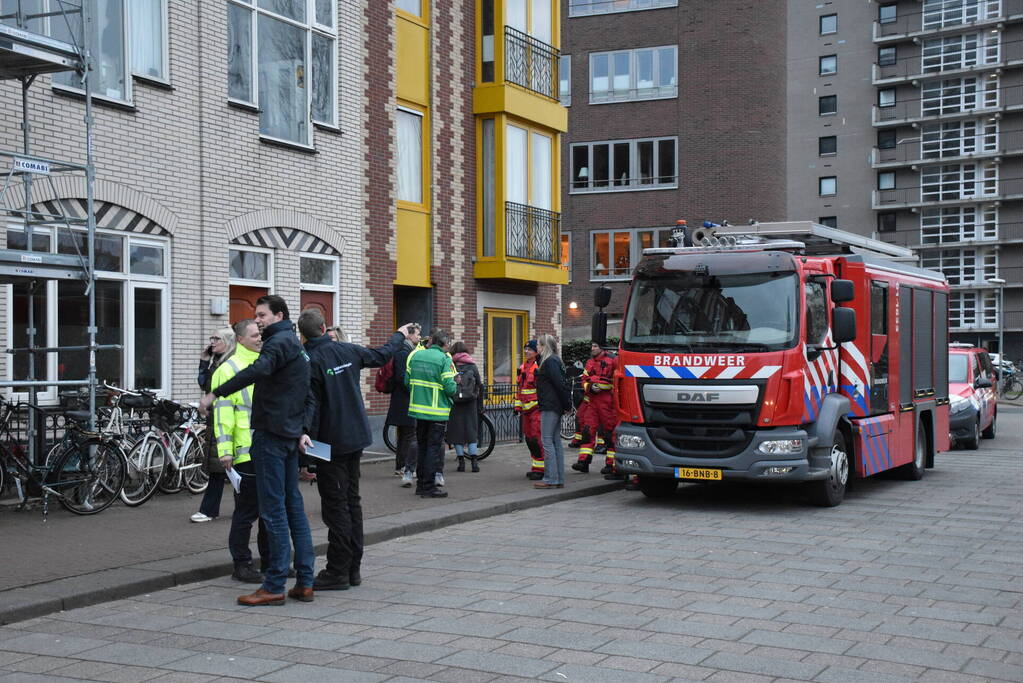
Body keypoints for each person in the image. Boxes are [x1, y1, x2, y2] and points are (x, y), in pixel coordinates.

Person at [199, 294, 315, 606]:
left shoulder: (277, 345)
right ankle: (305, 581)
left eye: (262, 315)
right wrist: (302, 429)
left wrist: (215, 393)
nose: (258, 321)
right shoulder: (297, 347)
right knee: (294, 509)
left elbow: (259, 371)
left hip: (270, 437)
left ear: (278, 315)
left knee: (273, 511)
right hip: (289, 436)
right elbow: (308, 393)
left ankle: (274, 584)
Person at [298, 309, 412, 591]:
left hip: (330, 442)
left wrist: (305, 445)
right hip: (355, 437)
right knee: (351, 502)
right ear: (325, 328)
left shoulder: (309, 360)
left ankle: (338, 571)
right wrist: (400, 334)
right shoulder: (347, 350)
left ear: (302, 334)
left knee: (336, 507)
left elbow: (310, 406)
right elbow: (382, 354)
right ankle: (353, 569)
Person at [211, 319, 269, 583]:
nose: (260, 338)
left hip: (267, 449)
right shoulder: (228, 369)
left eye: (260, 334)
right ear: (241, 339)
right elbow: (223, 415)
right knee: (246, 513)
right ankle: (242, 564)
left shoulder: (264, 362)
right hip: (244, 453)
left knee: (270, 510)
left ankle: (270, 561)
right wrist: (225, 451)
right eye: (255, 335)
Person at [406, 329, 457, 498]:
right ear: (444, 343)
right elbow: (450, 388)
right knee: (433, 449)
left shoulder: (416, 356)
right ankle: (428, 488)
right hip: (437, 411)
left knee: (422, 447)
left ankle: (421, 485)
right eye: (448, 343)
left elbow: (407, 381)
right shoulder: (444, 359)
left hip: (418, 410)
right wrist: (457, 383)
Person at [191, 327, 234, 523]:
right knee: (220, 468)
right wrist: (204, 360)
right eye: (212, 338)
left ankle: (208, 509)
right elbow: (204, 384)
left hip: (225, 421)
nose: (212, 342)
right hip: (214, 419)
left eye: (217, 338)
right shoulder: (216, 363)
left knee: (220, 468)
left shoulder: (228, 365)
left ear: (228, 342)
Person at [572, 342, 618, 476]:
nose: (592, 349)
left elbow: (617, 381)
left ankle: (611, 464)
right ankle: (583, 462)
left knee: (609, 434)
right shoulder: (590, 362)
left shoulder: (613, 361)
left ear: (602, 348)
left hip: (607, 403)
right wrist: (590, 387)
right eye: (592, 346)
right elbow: (584, 380)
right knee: (587, 431)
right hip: (593, 402)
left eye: (595, 346)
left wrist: (601, 385)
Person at [534, 333, 572, 489]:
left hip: (550, 406)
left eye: (538, 345)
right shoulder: (555, 361)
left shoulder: (549, 362)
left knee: (547, 441)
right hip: (555, 405)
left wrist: (567, 405)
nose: (536, 347)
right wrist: (566, 405)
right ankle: (558, 478)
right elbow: (561, 384)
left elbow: (559, 385)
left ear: (544, 346)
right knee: (555, 442)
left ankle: (550, 478)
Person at [386, 323, 422, 487]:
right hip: (404, 400)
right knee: (409, 434)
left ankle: (400, 466)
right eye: (417, 334)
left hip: (402, 399)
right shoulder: (403, 352)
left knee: (405, 434)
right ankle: (404, 467)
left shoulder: (406, 351)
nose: (419, 337)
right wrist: (414, 391)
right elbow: (402, 377)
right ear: (409, 335)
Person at [446, 341, 484, 473]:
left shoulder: (451, 365)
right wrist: (480, 405)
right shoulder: (472, 366)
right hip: (470, 403)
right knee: (471, 432)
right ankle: (474, 463)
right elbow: (479, 385)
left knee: (457, 433)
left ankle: (461, 463)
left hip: (455, 403)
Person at [515, 340, 545, 480]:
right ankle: (536, 467)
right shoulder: (522, 368)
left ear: (536, 352)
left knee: (536, 438)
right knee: (529, 439)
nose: (526, 351)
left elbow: (542, 390)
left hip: (536, 409)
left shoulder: (539, 367)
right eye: (525, 349)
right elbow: (519, 389)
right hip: (526, 411)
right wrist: (517, 407)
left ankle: (542, 469)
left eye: (530, 349)